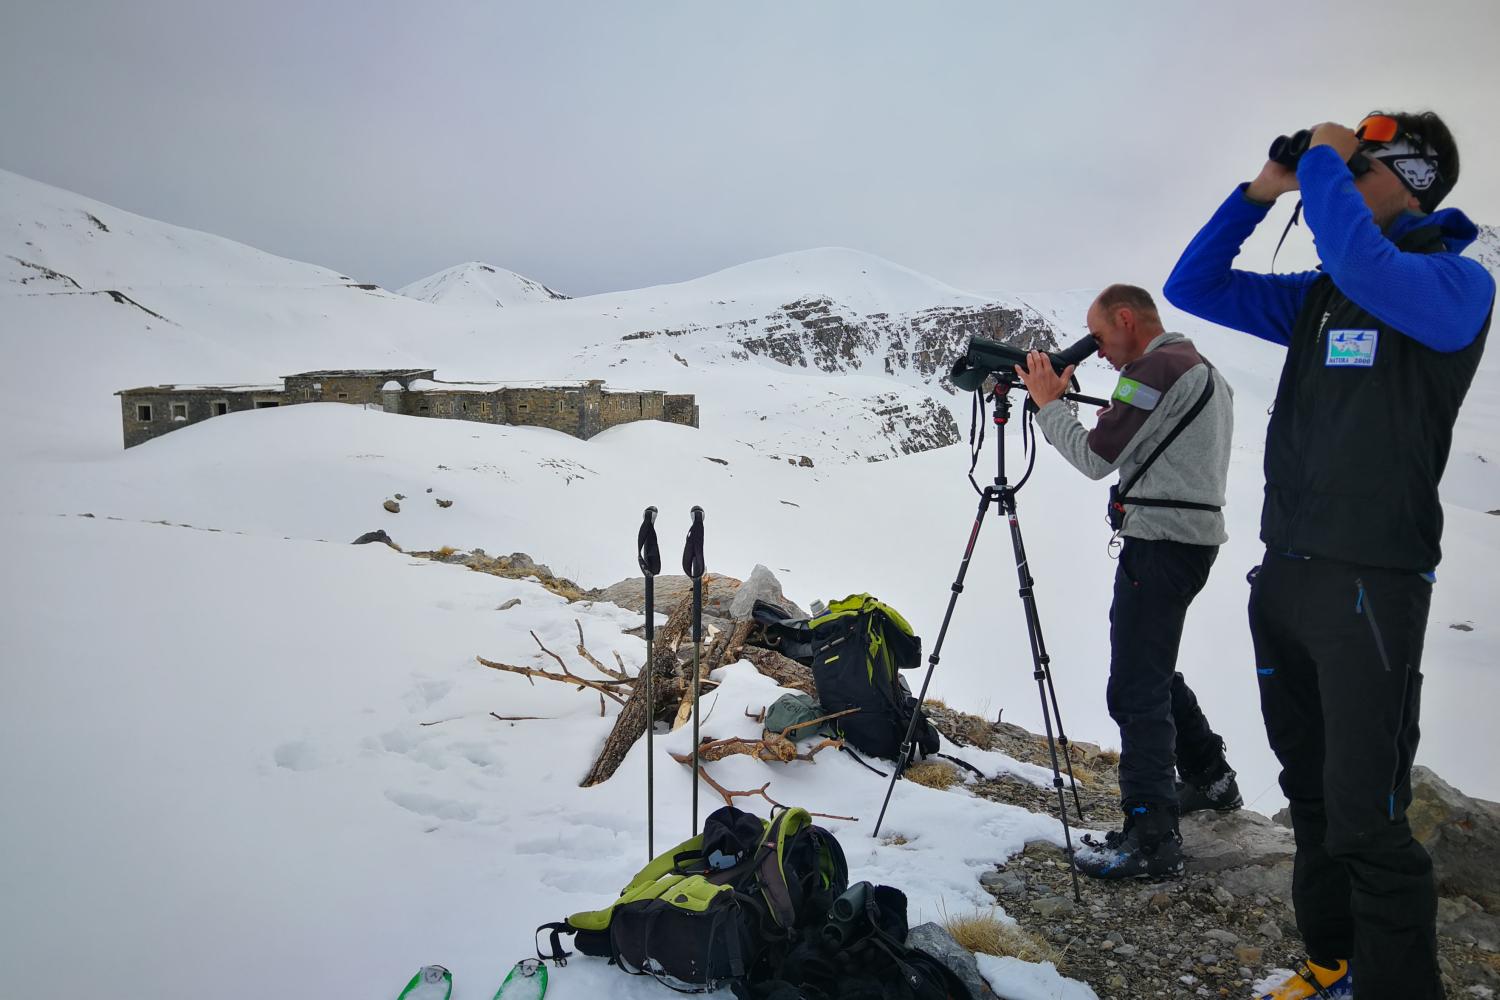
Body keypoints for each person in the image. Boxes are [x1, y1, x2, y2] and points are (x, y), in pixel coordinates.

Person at [1164, 111, 1494, 1000]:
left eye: (1360, 167)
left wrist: (1321, 158)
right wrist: (1261, 193)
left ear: (1413, 179)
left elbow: (1361, 261)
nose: (1336, 184)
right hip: (1290, 577)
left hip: (1372, 587)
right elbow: (1192, 285)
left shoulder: (1453, 286)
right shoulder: (1321, 295)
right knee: (1309, 799)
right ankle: (1332, 962)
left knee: (1368, 812)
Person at [1014, 283, 1241, 881]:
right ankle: (1210, 777)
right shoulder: (1196, 366)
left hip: (1161, 546)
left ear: (1124, 318)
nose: (1101, 355)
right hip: (1188, 544)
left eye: (1101, 339)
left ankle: (1151, 836)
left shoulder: (1155, 368)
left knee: (1134, 688)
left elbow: (1094, 458)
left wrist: (1047, 404)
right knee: (1153, 666)